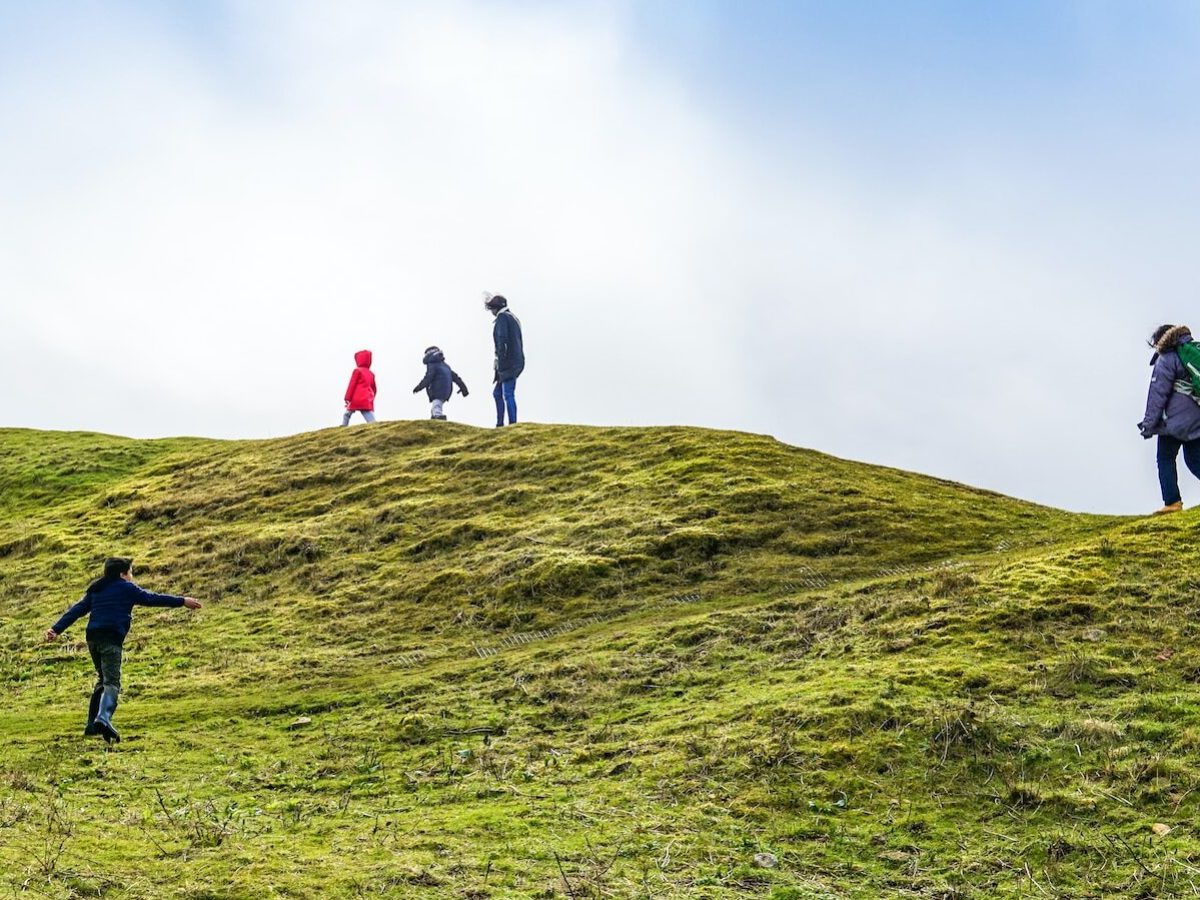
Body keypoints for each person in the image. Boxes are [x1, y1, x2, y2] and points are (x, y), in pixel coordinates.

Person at [44, 557, 201, 743]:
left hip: (93, 639)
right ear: (122, 574)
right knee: (112, 682)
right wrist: (182, 601)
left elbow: (77, 610)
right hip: (111, 639)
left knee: (102, 679)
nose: (132, 576)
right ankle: (103, 717)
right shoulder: (127, 588)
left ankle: (92, 726)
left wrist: (56, 629)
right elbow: (152, 598)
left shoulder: (96, 588)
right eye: (131, 572)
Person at [1138, 324, 1200, 514]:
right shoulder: (1190, 352)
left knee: (1165, 458)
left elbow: (1158, 395)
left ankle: (1173, 502)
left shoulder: (1167, 358)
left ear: (1160, 341)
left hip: (1174, 422)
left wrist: (1148, 425)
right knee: (1194, 459)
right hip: (1196, 420)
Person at [484, 293, 524, 427]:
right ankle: (502, 423)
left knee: (507, 394)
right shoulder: (513, 318)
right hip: (516, 361)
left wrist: (500, 363)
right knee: (499, 393)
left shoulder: (502, 318)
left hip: (507, 363)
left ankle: (510, 423)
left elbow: (502, 341)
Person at [412, 346, 468, 420]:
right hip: (446, 390)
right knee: (436, 406)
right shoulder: (446, 366)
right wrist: (464, 389)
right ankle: (434, 419)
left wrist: (419, 387)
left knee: (436, 405)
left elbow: (428, 377)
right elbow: (456, 378)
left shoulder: (432, 365)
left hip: (437, 389)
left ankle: (438, 417)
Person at [342, 349, 378, 426]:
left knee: (347, 414)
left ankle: (343, 426)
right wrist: (371, 398)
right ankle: (374, 424)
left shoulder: (357, 371)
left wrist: (347, 398)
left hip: (356, 398)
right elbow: (374, 389)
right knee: (367, 413)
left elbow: (351, 385)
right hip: (366, 399)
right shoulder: (371, 374)